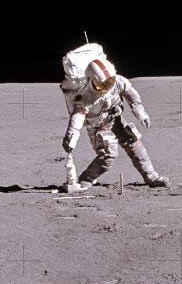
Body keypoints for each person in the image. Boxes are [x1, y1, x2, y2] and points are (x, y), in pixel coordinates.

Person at [60, 44, 170, 189]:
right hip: (98, 127)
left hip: (115, 119)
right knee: (108, 156)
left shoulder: (117, 81)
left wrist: (140, 113)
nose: (106, 86)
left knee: (134, 144)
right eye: (101, 84)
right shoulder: (84, 96)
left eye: (108, 82)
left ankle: (151, 176)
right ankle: (86, 178)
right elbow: (78, 116)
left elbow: (131, 95)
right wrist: (71, 136)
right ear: (91, 80)